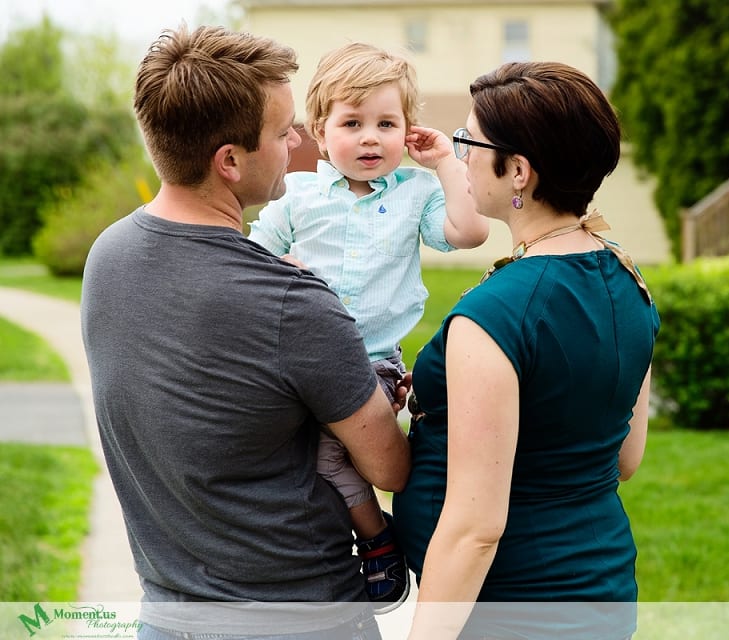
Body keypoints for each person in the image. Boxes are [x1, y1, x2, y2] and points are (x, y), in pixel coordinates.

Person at [80, 25, 410, 640]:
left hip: (166, 615)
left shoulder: (109, 256)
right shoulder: (291, 302)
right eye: (282, 131)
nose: (297, 141)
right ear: (229, 161)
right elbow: (389, 467)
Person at [392, 61, 661, 640]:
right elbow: (624, 458)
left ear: (517, 170)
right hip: (601, 592)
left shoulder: (497, 315)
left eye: (469, 142)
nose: (461, 155)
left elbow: (474, 529)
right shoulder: (629, 281)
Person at [247, 42, 488, 613]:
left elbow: (469, 232)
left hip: (372, 362)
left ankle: (377, 540)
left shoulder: (415, 193)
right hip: (299, 362)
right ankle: (307, 550)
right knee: (289, 452)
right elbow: (252, 257)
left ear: (408, 131)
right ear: (319, 132)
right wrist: (283, 268)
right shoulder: (297, 195)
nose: (370, 138)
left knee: (333, 458)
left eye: (387, 123)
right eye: (352, 123)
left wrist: (445, 163)